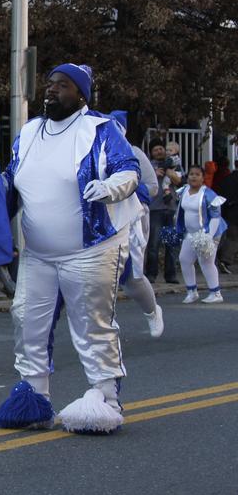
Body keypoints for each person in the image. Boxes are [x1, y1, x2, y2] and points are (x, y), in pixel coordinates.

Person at [0, 63, 140, 435]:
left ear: (81, 94)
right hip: (38, 251)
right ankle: (34, 397)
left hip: (90, 248)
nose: (51, 90)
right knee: (27, 318)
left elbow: (128, 169)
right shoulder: (28, 132)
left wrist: (111, 187)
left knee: (91, 323)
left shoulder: (100, 129)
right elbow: (14, 177)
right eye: (50, 84)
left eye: (62, 85)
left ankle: (105, 398)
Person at [109, 111, 165, 337]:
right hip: (105, 221)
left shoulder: (134, 153)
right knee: (100, 272)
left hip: (133, 219)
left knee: (133, 278)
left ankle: (152, 311)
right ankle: (105, 320)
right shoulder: (96, 153)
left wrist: (128, 189)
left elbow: (152, 186)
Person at [176, 165, 227, 304]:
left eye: (197, 174)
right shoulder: (184, 191)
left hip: (209, 233)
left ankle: (216, 293)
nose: (193, 177)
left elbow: (216, 216)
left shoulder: (209, 194)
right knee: (184, 259)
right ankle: (191, 292)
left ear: (203, 178)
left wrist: (208, 237)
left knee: (206, 262)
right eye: (191, 174)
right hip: (191, 233)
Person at [145, 140, 182, 283]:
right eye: (156, 149)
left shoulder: (174, 163)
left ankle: (171, 275)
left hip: (171, 208)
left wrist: (168, 171)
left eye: (161, 148)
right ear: (151, 152)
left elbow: (179, 181)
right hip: (155, 209)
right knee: (153, 244)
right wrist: (154, 173)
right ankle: (151, 274)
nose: (159, 151)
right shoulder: (148, 166)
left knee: (171, 244)